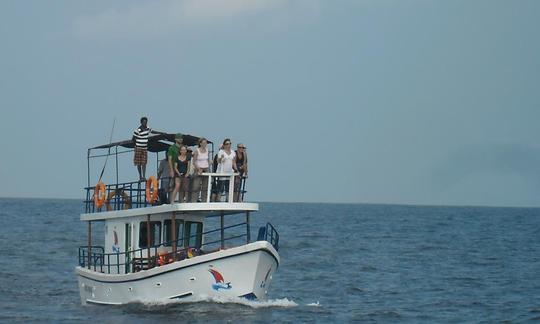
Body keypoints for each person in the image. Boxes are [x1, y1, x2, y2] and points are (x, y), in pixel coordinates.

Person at [132, 117, 165, 181]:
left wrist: (161, 133)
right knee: (139, 163)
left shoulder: (147, 128)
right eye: (144, 122)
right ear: (141, 122)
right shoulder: (138, 130)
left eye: (146, 122)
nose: (145, 123)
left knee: (144, 162)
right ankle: (140, 176)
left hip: (144, 148)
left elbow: (153, 131)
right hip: (138, 148)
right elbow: (133, 139)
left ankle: (144, 176)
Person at [191, 138, 211, 202]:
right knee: (196, 186)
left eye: (206, 143)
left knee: (205, 187)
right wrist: (199, 169)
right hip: (198, 169)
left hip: (206, 168)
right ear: (200, 143)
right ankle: (194, 201)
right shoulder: (197, 151)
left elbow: (207, 160)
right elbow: (194, 162)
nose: (205, 144)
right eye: (204, 143)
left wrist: (210, 163)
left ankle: (204, 200)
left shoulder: (207, 150)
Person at [167, 134, 183, 202]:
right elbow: (170, 159)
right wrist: (171, 170)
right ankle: (171, 200)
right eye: (179, 138)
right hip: (174, 169)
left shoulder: (183, 147)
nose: (181, 139)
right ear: (176, 139)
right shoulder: (172, 148)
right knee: (172, 186)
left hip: (182, 169)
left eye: (181, 138)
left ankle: (181, 200)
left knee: (182, 186)